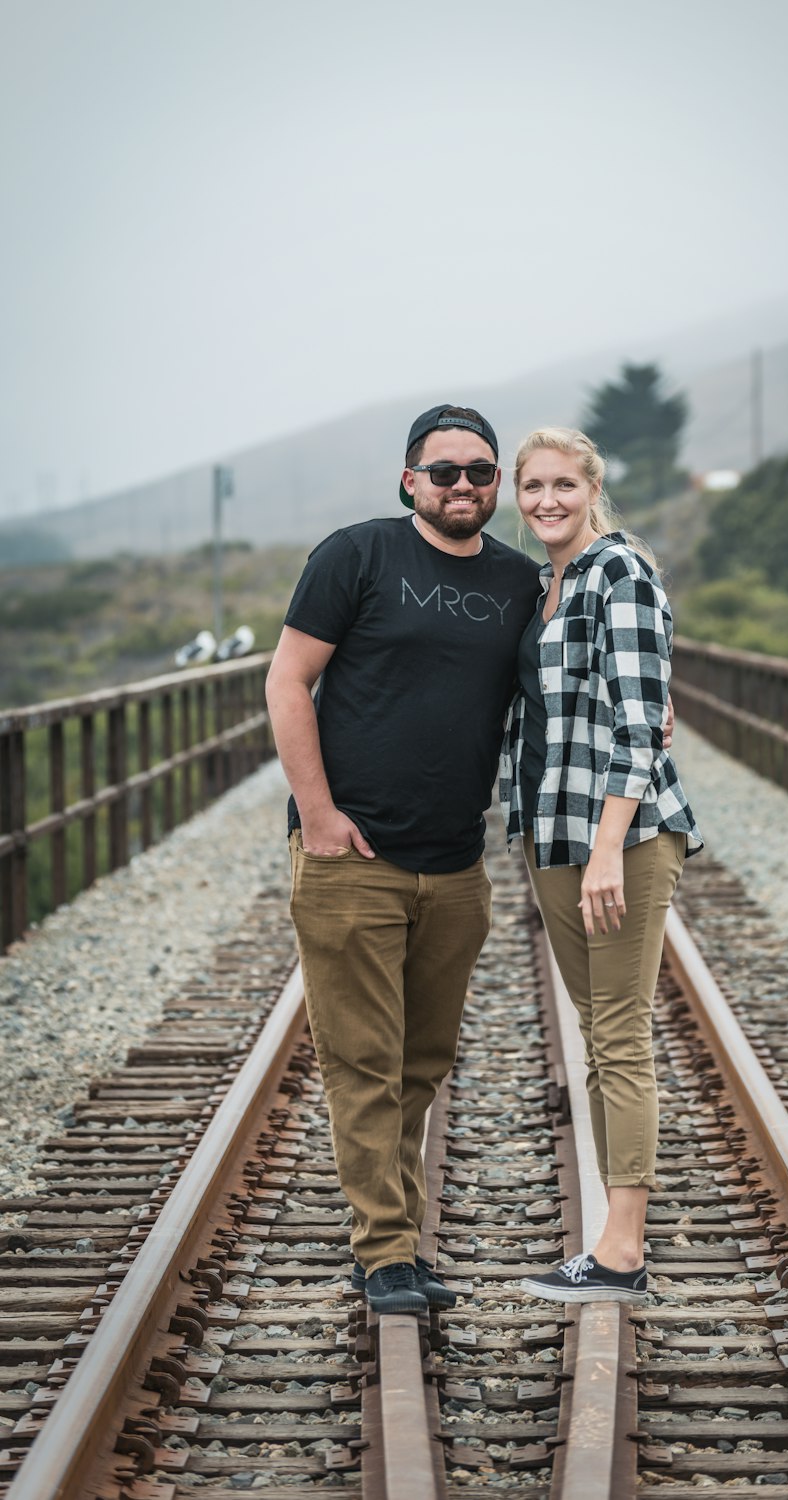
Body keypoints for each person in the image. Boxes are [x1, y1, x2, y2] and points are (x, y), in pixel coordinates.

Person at [265, 405, 541, 1315]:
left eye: (480, 472)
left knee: (423, 1063)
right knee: (363, 1061)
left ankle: (398, 1248)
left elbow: (559, 685)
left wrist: (647, 707)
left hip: (456, 868)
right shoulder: (357, 555)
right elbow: (287, 679)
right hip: (355, 858)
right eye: (444, 471)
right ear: (409, 480)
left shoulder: (518, 582)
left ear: (496, 485)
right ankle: (386, 1252)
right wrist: (318, 814)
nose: (463, 486)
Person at [501, 427, 702, 1304]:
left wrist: (609, 849)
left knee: (619, 1035)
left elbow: (636, 724)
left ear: (593, 488)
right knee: (600, 1034)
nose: (547, 500)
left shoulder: (620, 572)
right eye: (533, 486)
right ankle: (612, 1240)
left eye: (562, 485)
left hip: (614, 837)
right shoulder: (547, 584)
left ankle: (621, 1253)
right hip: (552, 832)